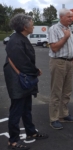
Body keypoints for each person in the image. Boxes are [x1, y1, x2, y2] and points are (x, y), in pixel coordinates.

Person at [4, 14, 48, 150]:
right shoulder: (16, 41)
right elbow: (22, 62)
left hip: (22, 81)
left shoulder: (20, 38)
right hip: (18, 82)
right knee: (16, 111)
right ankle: (13, 141)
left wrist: (34, 71)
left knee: (26, 108)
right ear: (25, 26)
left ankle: (31, 132)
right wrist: (35, 71)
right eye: (32, 23)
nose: (33, 25)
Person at [48, 8, 73, 130]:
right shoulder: (54, 29)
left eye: (72, 16)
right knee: (57, 91)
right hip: (58, 62)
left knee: (67, 91)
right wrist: (65, 37)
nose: (71, 18)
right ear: (61, 17)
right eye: (69, 17)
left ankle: (63, 114)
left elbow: (70, 46)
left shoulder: (68, 29)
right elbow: (54, 48)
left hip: (69, 62)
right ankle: (54, 118)